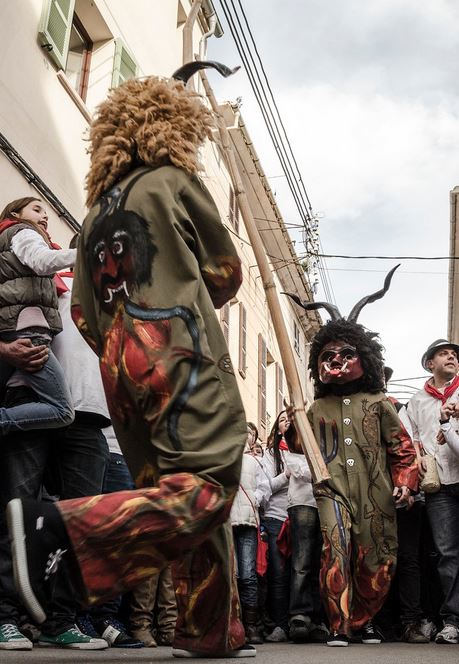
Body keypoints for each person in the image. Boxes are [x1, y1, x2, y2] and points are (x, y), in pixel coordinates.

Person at [6, 61, 255, 659]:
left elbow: (86, 317)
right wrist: (185, 301)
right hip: (179, 350)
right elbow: (225, 272)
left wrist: (123, 346)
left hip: (121, 367)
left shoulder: (92, 217)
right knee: (209, 484)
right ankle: (58, 534)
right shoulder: (170, 180)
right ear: (173, 126)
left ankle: (211, 632)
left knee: (179, 496)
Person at [286, 267, 418, 647]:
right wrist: (292, 421)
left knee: (375, 554)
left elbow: (402, 449)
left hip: (376, 492)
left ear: (365, 358)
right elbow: (299, 445)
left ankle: (364, 620)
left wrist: (405, 484)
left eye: (347, 354)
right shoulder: (315, 407)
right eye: (329, 355)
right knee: (335, 549)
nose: (338, 360)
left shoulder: (380, 402)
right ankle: (338, 624)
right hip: (331, 489)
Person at [0, 197, 75, 434]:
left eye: (46, 214)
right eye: (37, 209)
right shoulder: (23, 232)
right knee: (62, 410)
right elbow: (43, 261)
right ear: (16, 214)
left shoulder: (8, 242)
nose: (45, 216)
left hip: (12, 330)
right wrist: (90, 252)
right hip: (30, 331)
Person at [406, 339, 459, 644]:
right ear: (430, 364)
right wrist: (416, 457)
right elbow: (411, 437)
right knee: (447, 554)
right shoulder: (416, 401)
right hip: (439, 486)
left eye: (453, 355)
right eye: (444, 354)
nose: (451, 357)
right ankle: (452, 621)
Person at [230, 423, 267, 645]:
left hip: (248, 522)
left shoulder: (255, 462)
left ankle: (251, 625)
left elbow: (265, 488)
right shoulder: (222, 460)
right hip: (226, 522)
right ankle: (232, 623)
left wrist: (255, 498)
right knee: (230, 575)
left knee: (248, 575)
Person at [257, 411, 292, 642]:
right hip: (275, 518)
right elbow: (266, 486)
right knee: (277, 574)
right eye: (282, 419)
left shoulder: (306, 450)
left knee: (299, 573)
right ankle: (279, 625)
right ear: (276, 427)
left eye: (290, 418)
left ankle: (298, 621)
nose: (287, 421)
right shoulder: (270, 454)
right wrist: (286, 475)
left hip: (300, 516)